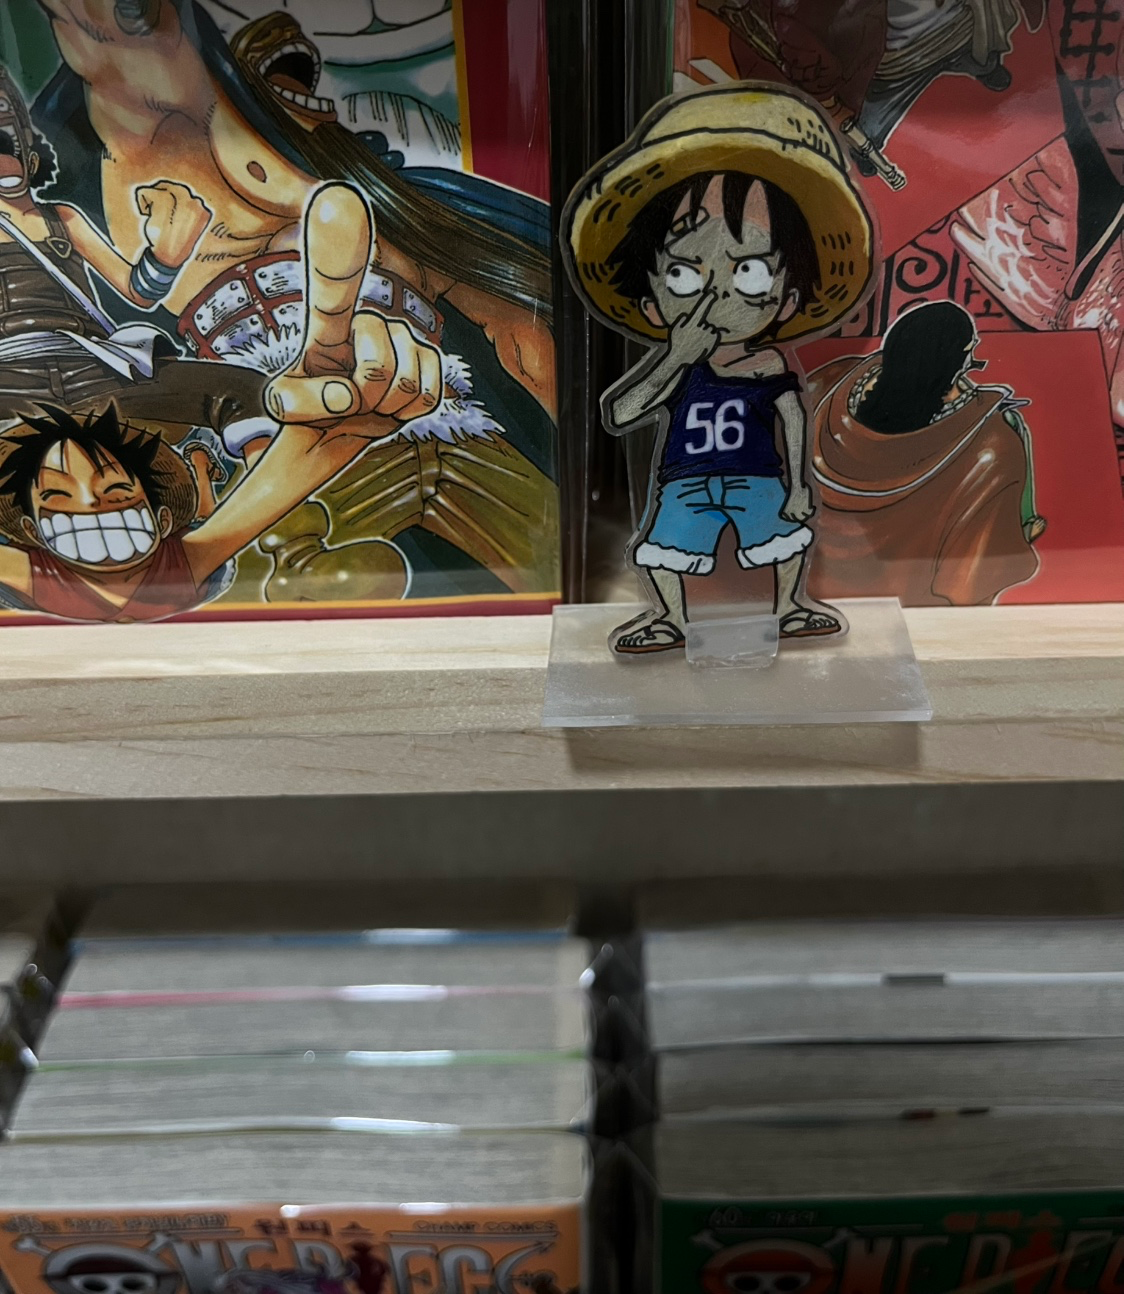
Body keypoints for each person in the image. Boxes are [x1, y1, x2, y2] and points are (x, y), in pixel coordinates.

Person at [0, 184, 442, 622]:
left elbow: (137, 290)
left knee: (244, 390)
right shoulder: (181, 569)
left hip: (92, 362)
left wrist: (165, 257)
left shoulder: (62, 219)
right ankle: (294, 547)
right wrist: (334, 437)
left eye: (116, 492)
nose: (93, 506)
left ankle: (292, 545)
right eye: (115, 492)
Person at [565, 84, 874, 655]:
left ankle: (789, 606)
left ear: (787, 299)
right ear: (652, 305)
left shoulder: (769, 362)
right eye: (683, 274)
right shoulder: (678, 364)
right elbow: (621, 412)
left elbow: (792, 418)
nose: (716, 295)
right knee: (663, 550)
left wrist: (799, 486)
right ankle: (670, 618)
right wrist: (676, 356)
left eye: (751, 271)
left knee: (783, 539)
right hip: (683, 481)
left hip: (758, 477)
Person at [808, 301, 1042, 607]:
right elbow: (975, 575)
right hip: (918, 613)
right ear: (957, 360)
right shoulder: (991, 447)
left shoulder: (826, 385)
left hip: (807, 594)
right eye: (970, 347)